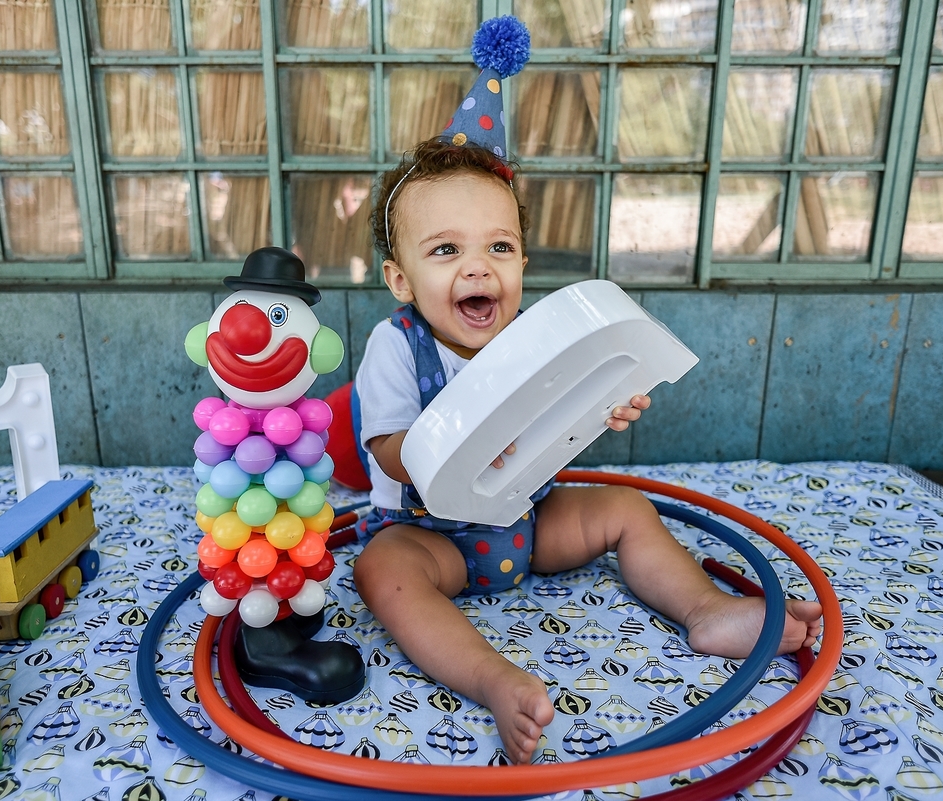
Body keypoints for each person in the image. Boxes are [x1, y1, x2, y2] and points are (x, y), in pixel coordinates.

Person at [351, 16, 822, 765]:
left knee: (625, 507)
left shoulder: (534, 335)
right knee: (381, 572)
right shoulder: (395, 345)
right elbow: (391, 452)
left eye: (498, 248)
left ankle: (704, 610)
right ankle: (494, 678)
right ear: (402, 280)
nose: (478, 270)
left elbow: (559, 426)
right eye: (446, 251)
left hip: (528, 525)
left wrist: (605, 403)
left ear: (524, 261)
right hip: (431, 536)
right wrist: (466, 438)